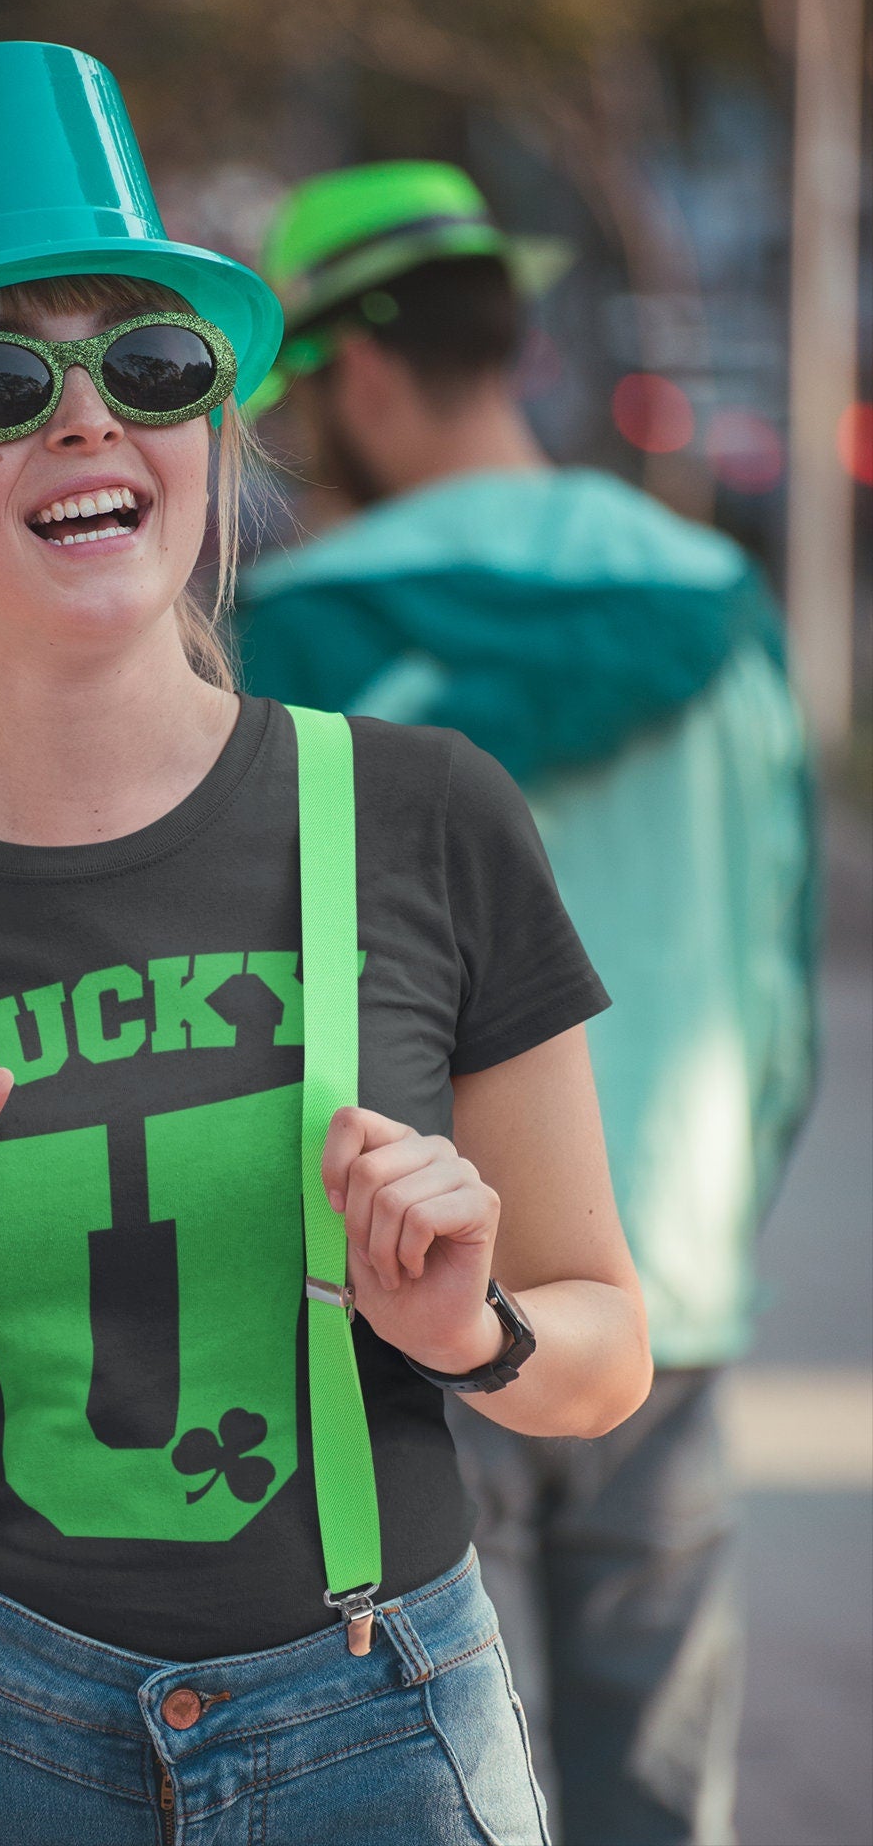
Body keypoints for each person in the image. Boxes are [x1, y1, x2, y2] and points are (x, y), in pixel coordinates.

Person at [0, 45, 651, 1846]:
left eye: (150, 364)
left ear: (212, 426)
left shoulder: (429, 816)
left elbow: (605, 1356)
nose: (87, 420)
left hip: (379, 1731)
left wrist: (472, 1330)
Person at [235, 160, 820, 1845]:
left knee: (431, 1799)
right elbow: (780, 972)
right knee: (657, 1797)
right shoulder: (719, 605)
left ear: (346, 373)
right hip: (674, 1298)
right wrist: (702, 1216)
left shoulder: (286, 644)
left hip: (408, 1302)